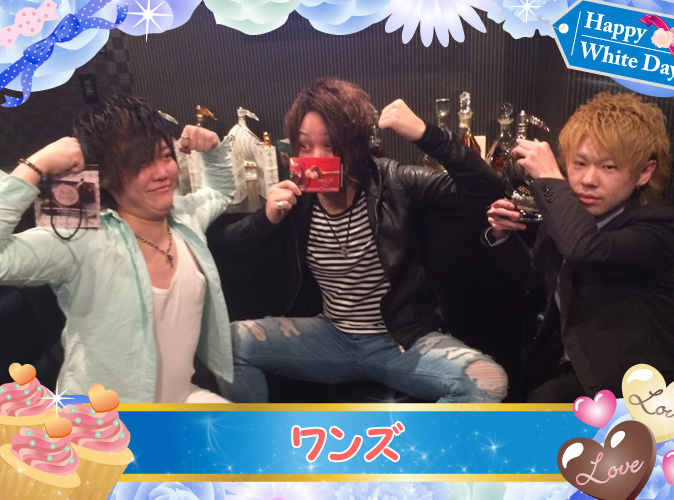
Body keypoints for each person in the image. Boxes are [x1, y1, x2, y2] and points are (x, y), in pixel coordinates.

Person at [211, 77, 508, 403]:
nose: (317, 157)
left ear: (354, 144)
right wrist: (265, 219)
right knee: (228, 345)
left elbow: (489, 189)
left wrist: (427, 134)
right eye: (305, 146)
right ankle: (260, 435)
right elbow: (226, 248)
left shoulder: (394, 182)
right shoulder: (297, 200)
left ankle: (404, 436)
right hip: (331, 337)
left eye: (330, 144)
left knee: (489, 381)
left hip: (401, 341)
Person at [0, 95, 235, 403]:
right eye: (140, 163)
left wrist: (213, 150)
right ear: (106, 177)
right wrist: (36, 165)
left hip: (178, 400)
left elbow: (220, 191)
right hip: (100, 418)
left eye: (165, 155)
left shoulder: (183, 218)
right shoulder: (83, 238)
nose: (162, 172)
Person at [484, 92, 674, 402]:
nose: (588, 180)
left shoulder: (662, 227)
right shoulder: (568, 216)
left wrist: (551, 180)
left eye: (609, 167)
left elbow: (586, 249)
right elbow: (534, 276)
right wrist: (502, 235)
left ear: (644, 172)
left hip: (632, 385)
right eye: (579, 163)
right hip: (559, 367)